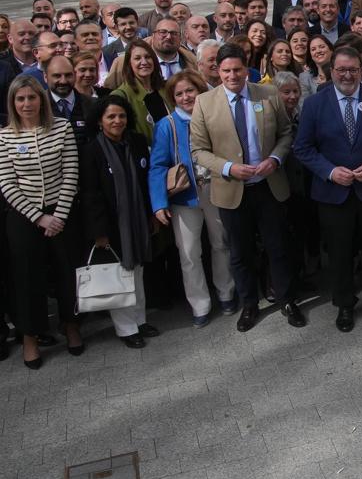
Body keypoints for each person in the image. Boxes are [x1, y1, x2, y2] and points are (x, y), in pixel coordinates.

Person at [189, 44, 306, 332]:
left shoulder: (267, 95)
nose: (232, 76)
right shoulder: (204, 102)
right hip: (231, 189)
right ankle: (249, 304)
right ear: (218, 70)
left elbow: (286, 133)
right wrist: (228, 168)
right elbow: (198, 150)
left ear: (246, 69)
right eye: (226, 70)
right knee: (239, 252)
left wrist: (275, 159)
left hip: (268, 185)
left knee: (277, 247)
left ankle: (287, 300)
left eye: (237, 70)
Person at [293, 45, 362, 331]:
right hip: (333, 194)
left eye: (352, 70)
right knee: (340, 253)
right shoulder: (315, 103)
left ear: (361, 70)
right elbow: (303, 148)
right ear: (331, 72)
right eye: (341, 70)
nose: (346, 75)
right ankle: (344, 304)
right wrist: (330, 172)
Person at [0, 75, 83, 367]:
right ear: (13, 103)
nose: (26, 104)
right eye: (20, 99)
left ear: (41, 100)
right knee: (27, 279)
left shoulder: (61, 127)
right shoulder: (5, 136)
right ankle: (30, 337)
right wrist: (39, 217)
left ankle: (71, 325)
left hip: (61, 213)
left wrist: (57, 215)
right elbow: (7, 183)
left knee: (66, 272)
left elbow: (71, 172)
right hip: (25, 217)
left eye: (31, 98)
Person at [148, 70, 236, 327]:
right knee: (188, 253)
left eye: (190, 91)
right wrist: (159, 203)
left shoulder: (215, 117)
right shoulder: (167, 125)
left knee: (222, 244)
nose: (186, 97)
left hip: (216, 190)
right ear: (172, 98)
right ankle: (200, 304)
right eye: (179, 93)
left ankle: (226, 292)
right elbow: (157, 166)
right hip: (184, 197)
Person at [80, 94, 158, 348]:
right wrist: (99, 232)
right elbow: (91, 195)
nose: (117, 121)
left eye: (121, 115)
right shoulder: (92, 151)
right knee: (121, 273)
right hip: (112, 226)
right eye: (111, 116)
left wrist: (150, 214)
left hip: (137, 221)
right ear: (100, 121)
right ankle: (126, 329)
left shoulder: (136, 142)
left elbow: (145, 183)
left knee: (138, 272)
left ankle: (140, 320)